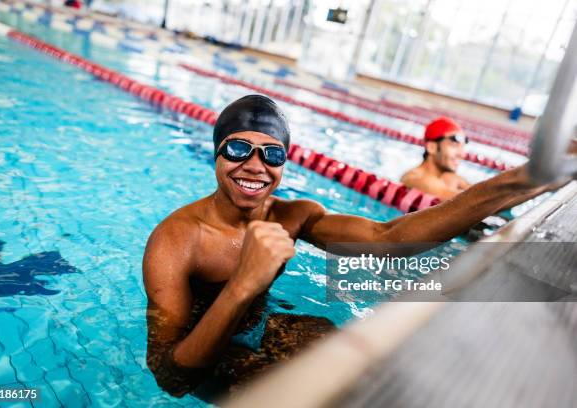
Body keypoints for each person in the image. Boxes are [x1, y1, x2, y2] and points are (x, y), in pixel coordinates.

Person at [143, 95, 556, 398]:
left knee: (346, 358)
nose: (254, 165)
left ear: (285, 162)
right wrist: (241, 285)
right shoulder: (176, 241)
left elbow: (389, 240)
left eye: (271, 153)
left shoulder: (292, 216)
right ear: (216, 153)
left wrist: (525, 180)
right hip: (203, 349)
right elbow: (170, 375)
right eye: (237, 149)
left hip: (257, 326)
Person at [401, 116, 471, 200]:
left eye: (462, 147)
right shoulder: (416, 179)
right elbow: (467, 202)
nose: (462, 154)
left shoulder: (450, 177)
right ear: (431, 147)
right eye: (454, 145)